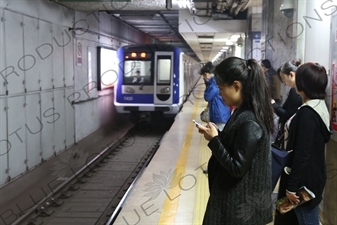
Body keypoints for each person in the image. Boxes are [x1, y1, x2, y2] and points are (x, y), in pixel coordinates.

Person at [196, 57, 274, 225]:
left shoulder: (249, 121)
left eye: (222, 88)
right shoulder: (243, 112)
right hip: (235, 204)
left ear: (237, 86)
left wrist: (215, 140)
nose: (221, 93)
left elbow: (237, 167)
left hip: (239, 210)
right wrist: (216, 134)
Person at [274, 62, 332, 225]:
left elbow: (302, 153)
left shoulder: (307, 113)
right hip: (313, 176)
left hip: (302, 183)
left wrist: (292, 187)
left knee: (306, 219)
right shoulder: (319, 106)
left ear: (304, 84)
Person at [272, 60, 302, 149]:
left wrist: (274, 105)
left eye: (283, 77)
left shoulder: (295, 90)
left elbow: (288, 114)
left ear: (291, 75)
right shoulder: (300, 89)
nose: (284, 82)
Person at [200, 62, 231, 131]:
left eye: (204, 76)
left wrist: (207, 85)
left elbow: (207, 97)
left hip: (219, 116)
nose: (204, 78)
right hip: (222, 114)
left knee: (218, 136)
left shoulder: (214, 85)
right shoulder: (216, 82)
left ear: (206, 74)